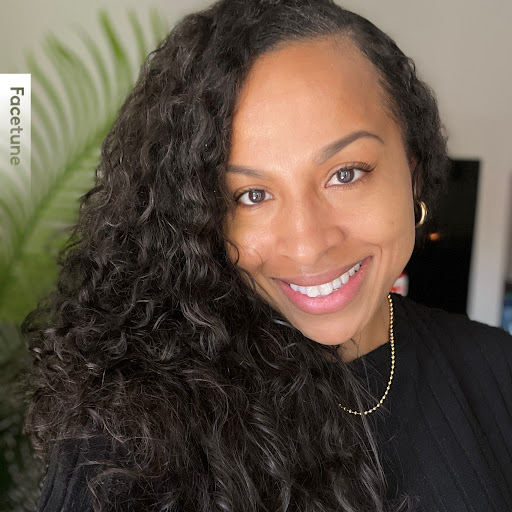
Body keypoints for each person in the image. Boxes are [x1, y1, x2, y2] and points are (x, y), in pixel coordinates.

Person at [23, 0, 512, 511]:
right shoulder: (128, 434)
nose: (307, 243)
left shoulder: (496, 370)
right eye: (252, 195)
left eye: (345, 173)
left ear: (411, 170)